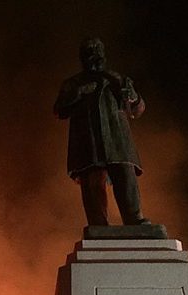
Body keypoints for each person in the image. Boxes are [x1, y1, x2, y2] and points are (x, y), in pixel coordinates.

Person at [54, 38, 150, 226]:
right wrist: (78, 93)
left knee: (124, 174)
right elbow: (59, 110)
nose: (93, 55)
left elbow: (138, 110)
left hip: (116, 137)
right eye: (89, 51)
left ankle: (134, 218)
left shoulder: (116, 79)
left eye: (96, 50)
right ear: (83, 57)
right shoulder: (73, 83)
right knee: (93, 180)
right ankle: (98, 224)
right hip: (88, 139)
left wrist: (133, 96)